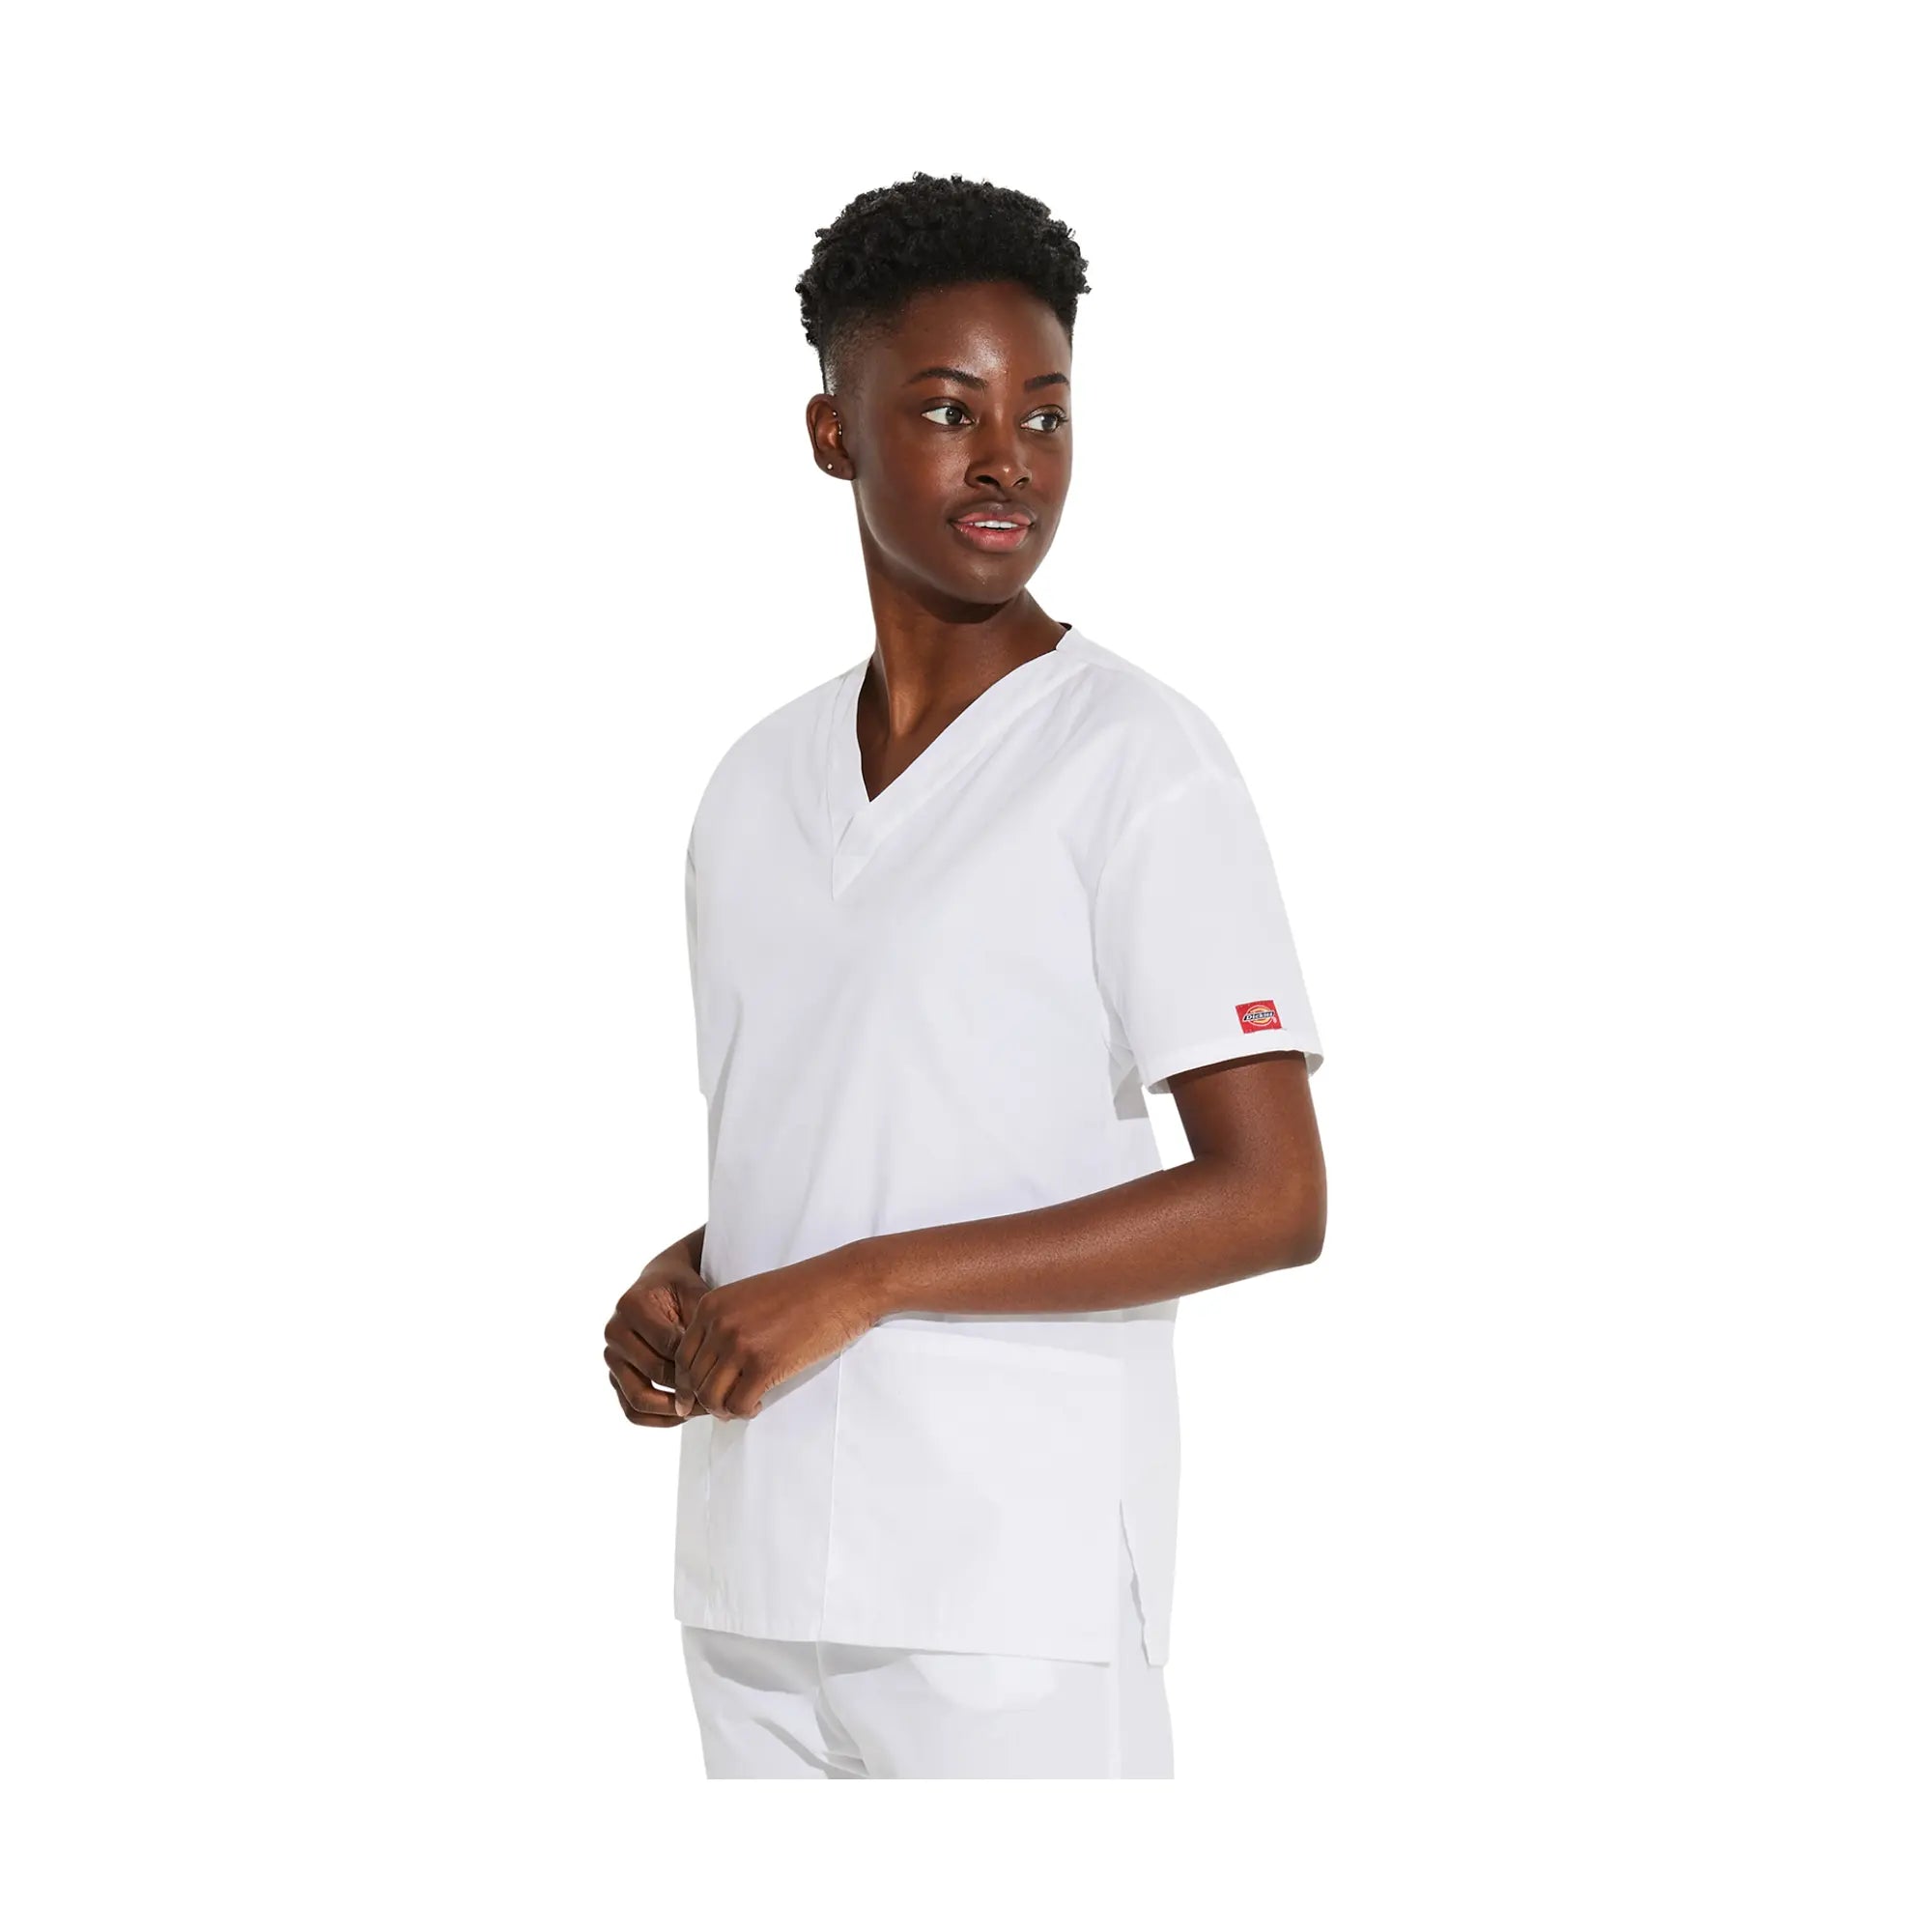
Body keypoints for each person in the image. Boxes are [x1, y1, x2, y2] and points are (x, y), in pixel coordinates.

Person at [602, 172, 1328, 1778]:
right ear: (833, 433)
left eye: (1045, 415)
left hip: (1005, 1591)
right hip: (752, 1580)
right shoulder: (754, 785)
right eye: (948, 410)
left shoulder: (1136, 760)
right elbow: (864, 1130)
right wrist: (699, 1269)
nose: (1009, 459)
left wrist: (860, 1280)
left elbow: (1274, 1196)